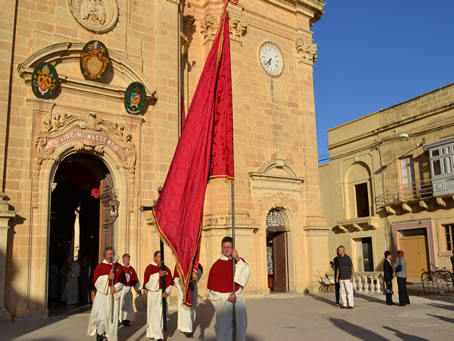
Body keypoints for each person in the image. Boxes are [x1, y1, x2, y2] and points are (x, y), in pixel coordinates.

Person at [207, 236, 250, 341]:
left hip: (238, 301)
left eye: (229, 247)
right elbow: (213, 292)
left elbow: (246, 272)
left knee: (240, 327)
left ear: (233, 249)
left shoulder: (239, 261)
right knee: (224, 330)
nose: (226, 249)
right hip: (225, 303)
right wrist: (227, 296)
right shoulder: (216, 265)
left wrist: (238, 259)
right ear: (221, 248)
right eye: (224, 247)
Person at [87, 247, 125, 341]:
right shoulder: (100, 266)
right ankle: (100, 333)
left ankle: (111, 337)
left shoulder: (118, 266)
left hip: (113, 294)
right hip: (103, 294)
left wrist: (115, 288)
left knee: (112, 318)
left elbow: (123, 280)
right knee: (103, 316)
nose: (110, 256)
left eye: (112, 254)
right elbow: (96, 281)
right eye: (108, 254)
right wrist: (107, 277)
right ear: (104, 255)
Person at [143, 251, 173, 341]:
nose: (161, 259)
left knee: (161, 315)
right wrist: (157, 275)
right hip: (154, 294)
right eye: (159, 257)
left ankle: (154, 333)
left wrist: (167, 291)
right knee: (155, 315)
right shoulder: (149, 268)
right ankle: (158, 336)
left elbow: (170, 282)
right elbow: (147, 283)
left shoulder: (166, 268)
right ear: (155, 258)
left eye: (161, 257)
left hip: (162, 294)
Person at [174, 263, 203, 337]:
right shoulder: (179, 263)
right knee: (185, 308)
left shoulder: (197, 264)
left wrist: (192, 282)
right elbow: (176, 278)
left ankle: (187, 326)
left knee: (193, 307)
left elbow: (199, 273)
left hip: (193, 288)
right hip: (183, 289)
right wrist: (185, 284)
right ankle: (187, 329)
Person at [119, 253, 140, 327]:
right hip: (121, 290)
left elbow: (135, 280)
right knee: (120, 305)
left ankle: (126, 321)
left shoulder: (131, 269)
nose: (127, 261)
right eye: (125, 259)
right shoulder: (119, 267)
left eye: (128, 259)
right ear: (123, 259)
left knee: (128, 306)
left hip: (128, 290)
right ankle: (119, 320)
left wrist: (138, 289)